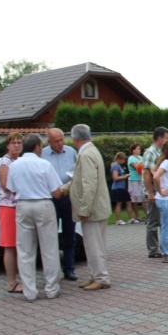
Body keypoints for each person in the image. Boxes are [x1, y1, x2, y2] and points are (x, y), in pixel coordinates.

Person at [7, 134, 64, 302]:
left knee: (25, 250)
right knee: (49, 248)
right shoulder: (44, 164)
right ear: (37, 147)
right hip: (43, 204)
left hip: (23, 204)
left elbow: (11, 188)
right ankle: (52, 289)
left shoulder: (15, 165)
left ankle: (30, 291)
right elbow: (56, 191)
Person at [68, 124, 112, 291]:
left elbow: (89, 184)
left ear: (75, 139)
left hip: (93, 209)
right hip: (97, 206)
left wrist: (84, 209)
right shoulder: (92, 151)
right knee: (93, 244)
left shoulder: (86, 154)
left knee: (94, 245)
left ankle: (101, 277)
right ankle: (94, 275)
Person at [42, 128, 79, 281]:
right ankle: (53, 270)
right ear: (49, 142)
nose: (60, 144)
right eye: (56, 141)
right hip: (51, 198)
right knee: (51, 235)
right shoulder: (42, 154)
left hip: (68, 197)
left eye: (61, 140)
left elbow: (78, 172)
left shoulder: (71, 152)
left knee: (70, 234)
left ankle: (69, 268)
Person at [0, 132, 23, 293]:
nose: (17, 145)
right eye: (13, 142)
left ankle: (18, 279)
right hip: (8, 207)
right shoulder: (5, 163)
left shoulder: (18, 161)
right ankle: (11, 282)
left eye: (19, 142)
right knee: (10, 246)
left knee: (18, 245)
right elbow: (6, 186)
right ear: (7, 145)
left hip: (18, 207)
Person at [142, 127, 168, 258]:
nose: (167, 141)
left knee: (163, 221)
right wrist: (150, 193)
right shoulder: (151, 152)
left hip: (162, 193)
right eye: (166, 138)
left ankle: (164, 247)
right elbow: (147, 173)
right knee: (154, 222)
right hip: (155, 193)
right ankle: (153, 250)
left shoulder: (160, 152)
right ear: (160, 138)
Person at [110, 152, 134, 226]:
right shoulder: (115, 166)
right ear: (119, 159)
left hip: (122, 187)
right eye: (123, 160)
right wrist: (125, 176)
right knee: (119, 203)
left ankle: (131, 218)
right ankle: (118, 220)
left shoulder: (119, 166)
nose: (123, 161)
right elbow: (115, 177)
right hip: (117, 187)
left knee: (128, 202)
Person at [127, 143, 147, 222]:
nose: (139, 150)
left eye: (139, 149)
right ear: (133, 150)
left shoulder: (141, 157)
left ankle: (147, 215)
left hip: (141, 179)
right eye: (138, 149)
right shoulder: (131, 158)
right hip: (134, 180)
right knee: (135, 198)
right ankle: (137, 216)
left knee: (143, 198)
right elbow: (137, 167)